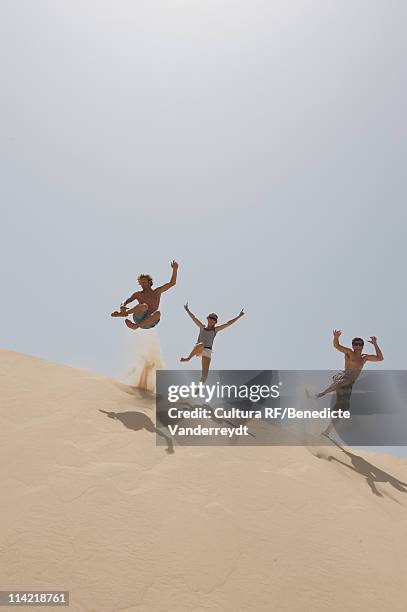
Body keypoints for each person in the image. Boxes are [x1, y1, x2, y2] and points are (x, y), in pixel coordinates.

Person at [316, 330, 384, 438]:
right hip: (341, 376)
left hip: (348, 384)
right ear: (353, 346)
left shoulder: (364, 358)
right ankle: (321, 394)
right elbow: (337, 346)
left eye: (360, 344)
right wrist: (336, 337)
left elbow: (380, 358)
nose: (358, 346)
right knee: (346, 380)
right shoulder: (349, 352)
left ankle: (326, 432)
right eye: (356, 344)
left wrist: (375, 343)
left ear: (362, 346)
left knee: (343, 408)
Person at [180, 303, 245, 382]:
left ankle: (199, 389)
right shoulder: (202, 327)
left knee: (205, 374)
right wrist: (187, 310)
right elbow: (194, 318)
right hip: (199, 348)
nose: (211, 320)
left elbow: (228, 323)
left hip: (208, 350)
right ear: (207, 319)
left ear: (215, 322)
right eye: (210, 318)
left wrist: (239, 316)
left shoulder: (215, 330)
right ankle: (188, 358)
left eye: (214, 319)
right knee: (201, 344)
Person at [111, 260, 178, 330]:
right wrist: (122, 306)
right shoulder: (138, 294)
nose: (142, 284)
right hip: (138, 317)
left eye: (144, 282)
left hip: (149, 321)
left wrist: (175, 269)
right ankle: (124, 314)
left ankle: (136, 326)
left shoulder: (157, 292)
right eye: (141, 283)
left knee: (158, 313)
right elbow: (126, 300)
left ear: (149, 282)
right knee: (144, 306)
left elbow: (172, 283)